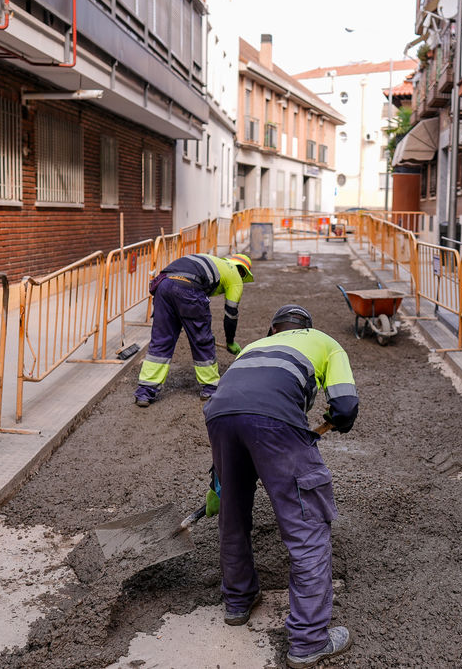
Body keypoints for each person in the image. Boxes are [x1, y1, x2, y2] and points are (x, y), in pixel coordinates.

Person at [202, 304, 357, 668]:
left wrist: (220, 482)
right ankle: (307, 642)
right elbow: (346, 405)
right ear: (307, 327)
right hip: (275, 421)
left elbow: (236, 404)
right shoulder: (325, 343)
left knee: (233, 515)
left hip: (219, 416)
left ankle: (238, 602)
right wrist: (337, 420)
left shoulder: (255, 347)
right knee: (307, 525)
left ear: (274, 330)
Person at [135, 253, 254, 407]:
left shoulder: (215, 261)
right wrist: (230, 341)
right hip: (189, 288)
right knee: (202, 340)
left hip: (163, 285)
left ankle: (145, 391)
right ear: (243, 272)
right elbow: (231, 314)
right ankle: (210, 388)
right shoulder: (236, 278)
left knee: (161, 339)